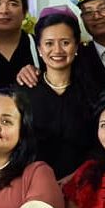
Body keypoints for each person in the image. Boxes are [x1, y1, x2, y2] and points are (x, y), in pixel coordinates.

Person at [27, 11, 99, 181]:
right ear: (39, 49)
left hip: (84, 183)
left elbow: (100, 147)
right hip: (33, 185)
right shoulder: (23, 93)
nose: (57, 50)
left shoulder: (94, 93)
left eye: (65, 42)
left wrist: (74, 178)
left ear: (76, 46)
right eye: (49, 43)